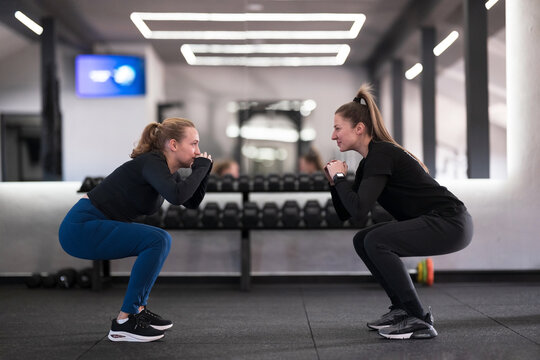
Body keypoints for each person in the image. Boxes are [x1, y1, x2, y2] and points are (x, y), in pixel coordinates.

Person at [324, 84, 473, 340]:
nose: (332, 135)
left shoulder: (382, 154)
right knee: (363, 239)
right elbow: (348, 213)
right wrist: (334, 183)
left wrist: (340, 179)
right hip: (440, 222)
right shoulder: (369, 163)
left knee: (376, 240)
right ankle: (403, 309)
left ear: (359, 129)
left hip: (451, 222)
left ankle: (418, 318)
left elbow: (359, 209)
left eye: (337, 128)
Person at [58, 118, 212, 342]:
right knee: (157, 239)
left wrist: (203, 173)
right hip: (81, 227)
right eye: (194, 144)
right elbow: (178, 197)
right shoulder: (152, 163)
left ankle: (137, 311)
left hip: (96, 224)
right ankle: (124, 322)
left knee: (159, 239)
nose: (197, 151)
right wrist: (200, 170)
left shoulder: (167, 171)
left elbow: (190, 201)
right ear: (173, 144)